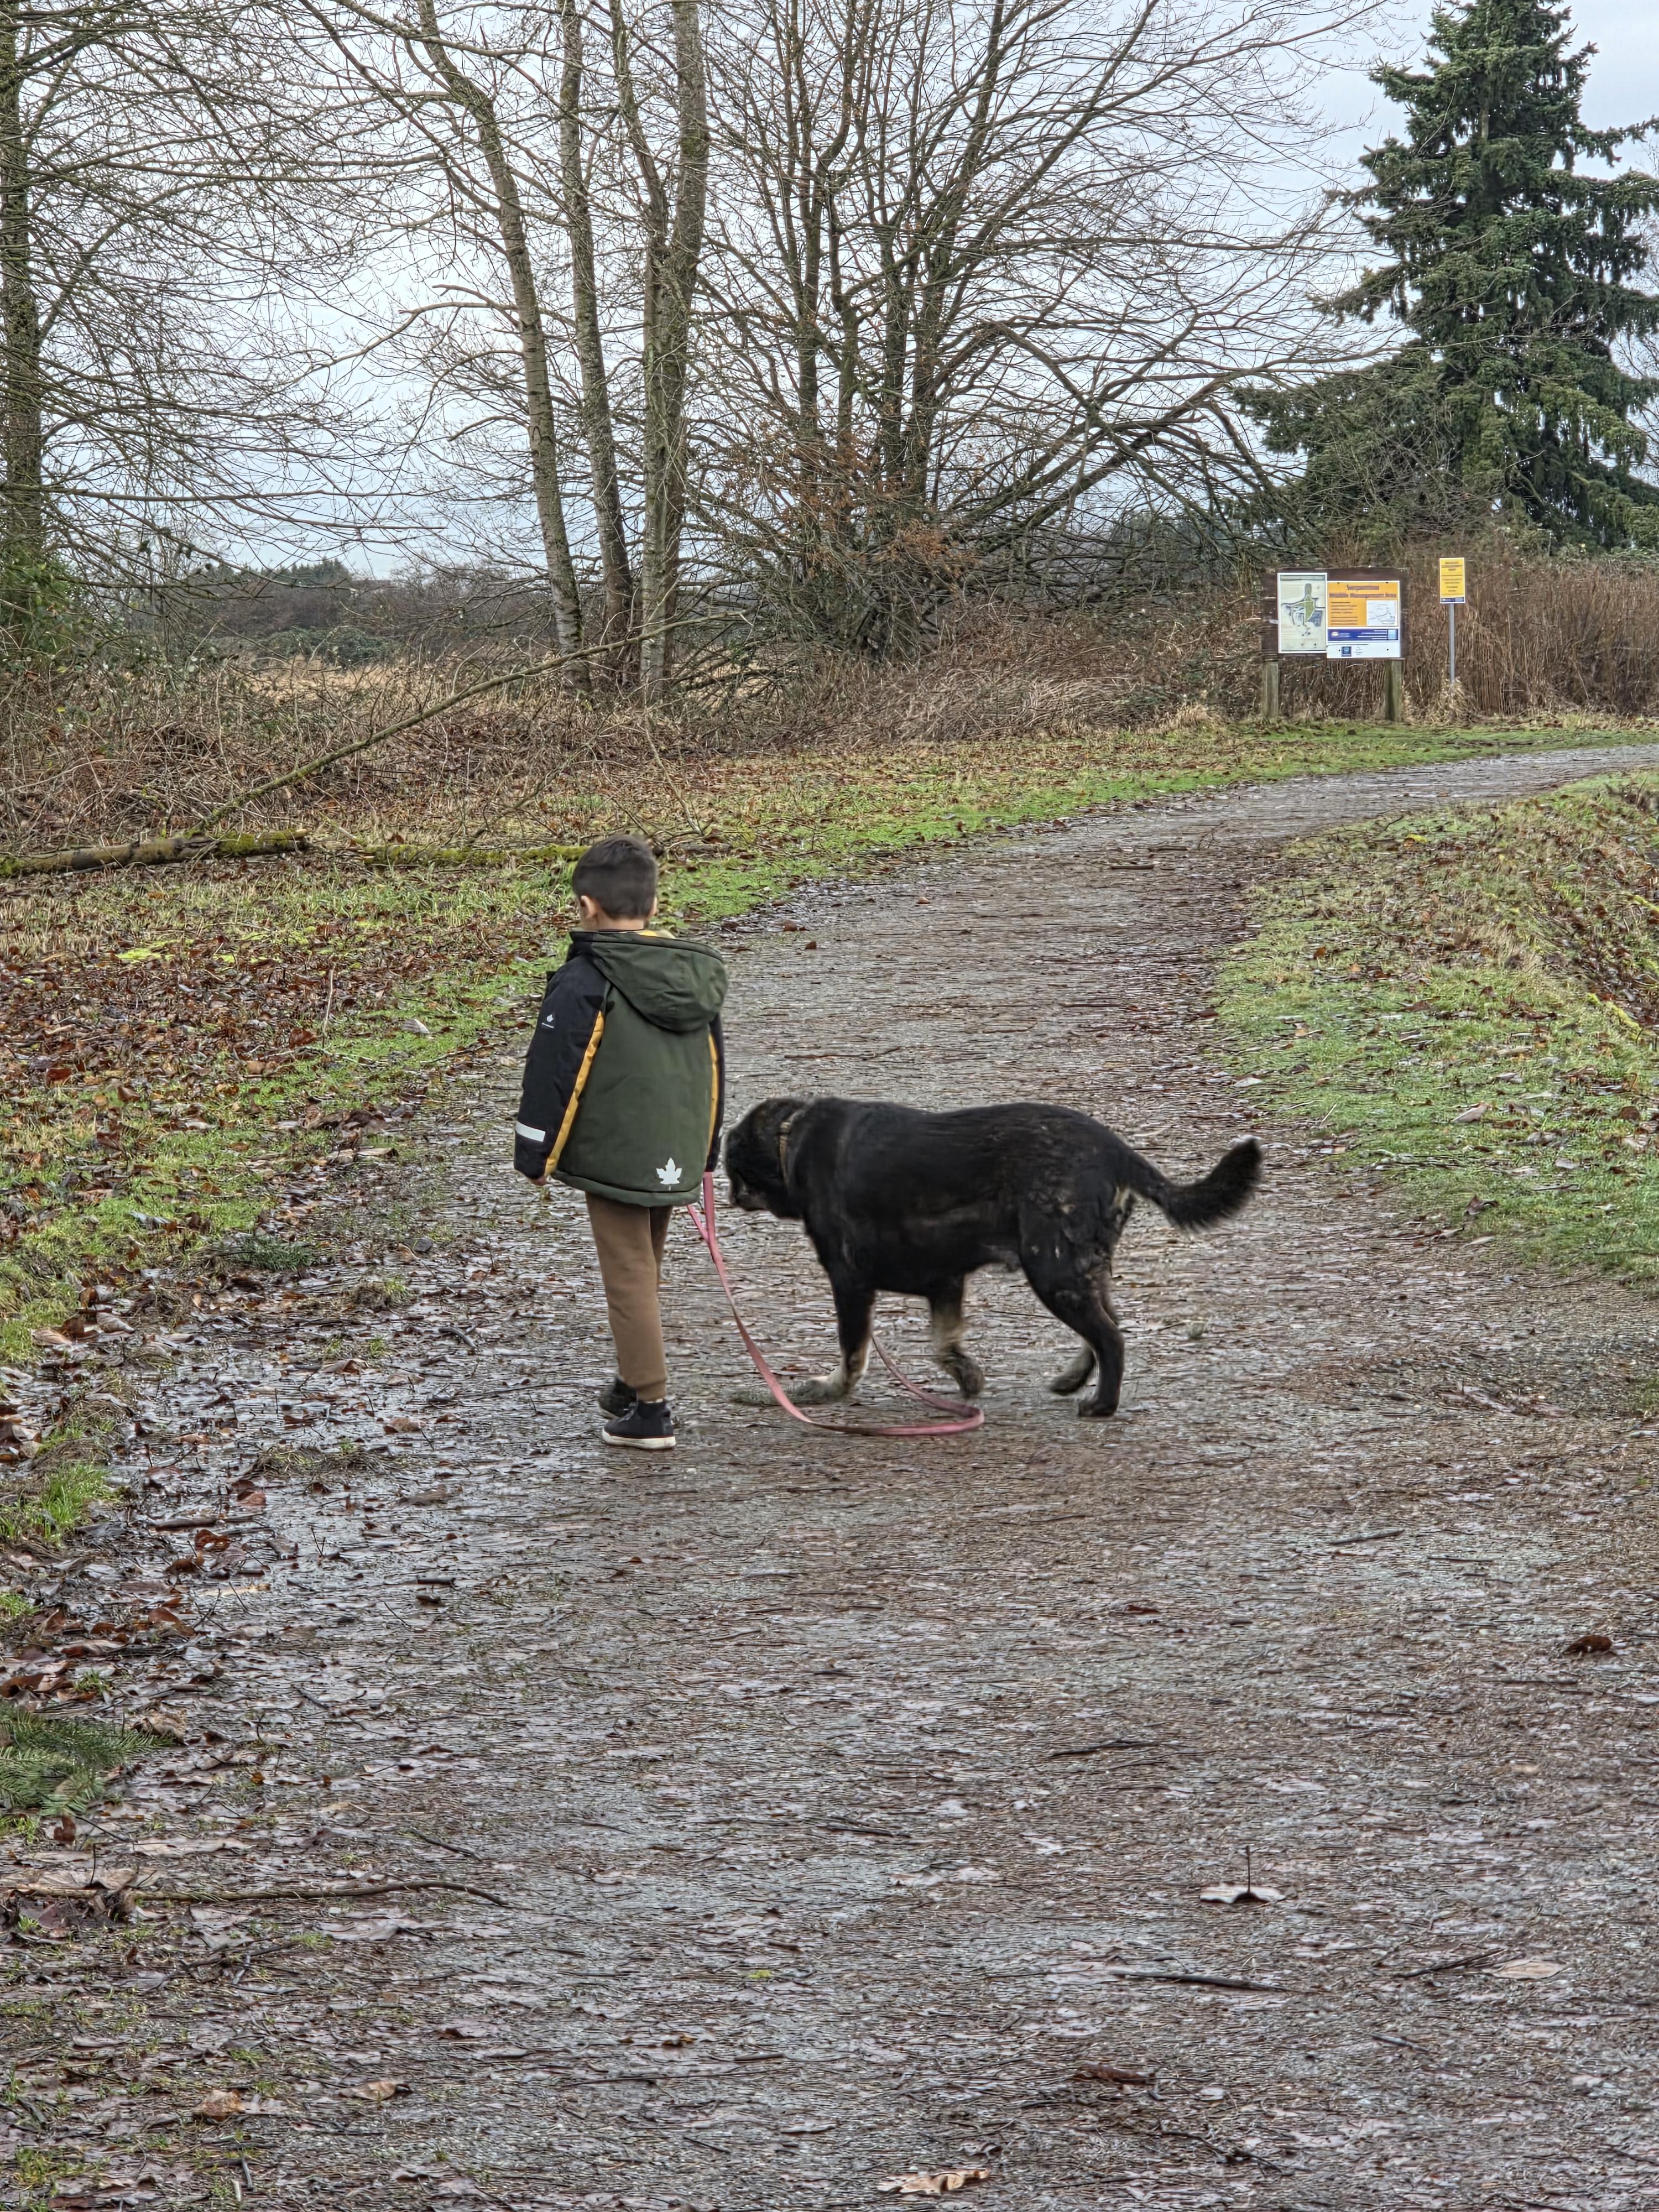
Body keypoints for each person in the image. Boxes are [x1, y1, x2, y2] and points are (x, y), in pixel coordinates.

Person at [513, 834, 727, 1451]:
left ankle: (651, 1409)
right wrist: (704, 1149)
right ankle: (636, 1379)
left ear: (587, 906)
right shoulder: (693, 974)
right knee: (646, 1265)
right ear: (654, 905)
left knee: (628, 1273)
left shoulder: (586, 978)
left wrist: (535, 1152)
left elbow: (554, 1068)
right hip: (675, 1146)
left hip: (616, 1150)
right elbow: (714, 1067)